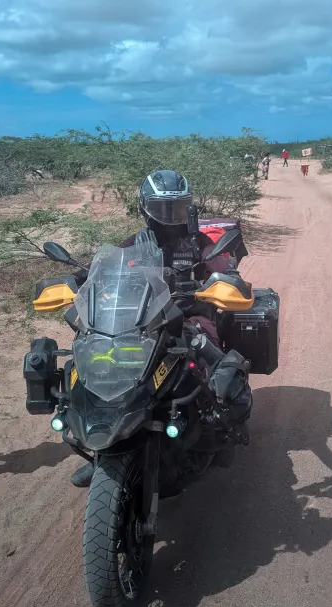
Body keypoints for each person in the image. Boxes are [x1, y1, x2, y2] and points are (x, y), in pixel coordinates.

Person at [68, 169, 253, 488]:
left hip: (189, 314)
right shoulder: (133, 244)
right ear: (146, 208)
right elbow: (105, 272)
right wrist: (84, 281)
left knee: (207, 354)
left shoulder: (198, 242)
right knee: (100, 361)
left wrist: (226, 277)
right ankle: (107, 455)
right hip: (143, 318)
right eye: (164, 208)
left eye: (178, 208)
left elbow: (223, 265)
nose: (171, 216)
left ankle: (223, 425)